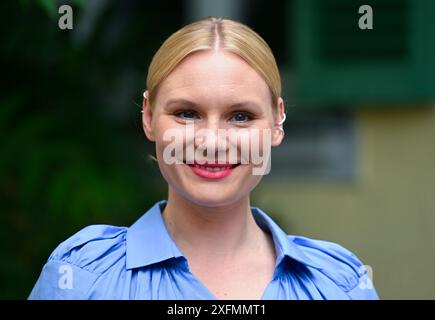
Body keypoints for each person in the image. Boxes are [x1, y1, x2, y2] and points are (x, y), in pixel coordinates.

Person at [28, 17, 379, 300]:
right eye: (186, 113)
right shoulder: (80, 277)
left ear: (276, 123)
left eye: (240, 116)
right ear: (148, 117)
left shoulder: (339, 284)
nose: (212, 141)